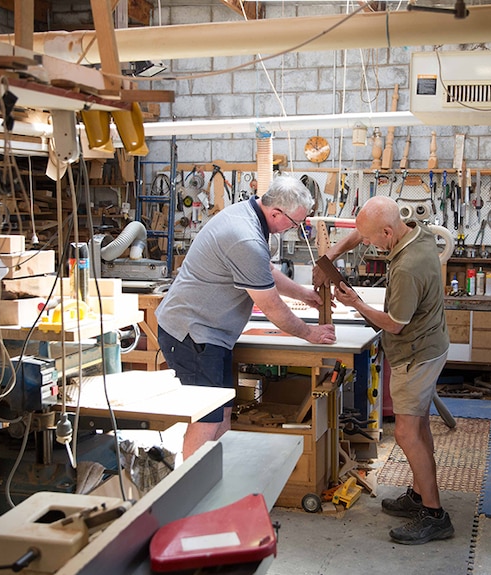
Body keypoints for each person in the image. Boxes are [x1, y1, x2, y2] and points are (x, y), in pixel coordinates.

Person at [156, 175, 336, 459]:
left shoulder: (251, 216)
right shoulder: (246, 237)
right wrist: (309, 333)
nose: (295, 228)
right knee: (207, 418)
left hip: (212, 334)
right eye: (294, 222)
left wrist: (303, 295)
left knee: (224, 413)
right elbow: (271, 306)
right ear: (276, 212)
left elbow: (266, 273)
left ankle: (217, 480)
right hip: (192, 334)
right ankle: (191, 492)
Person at [326, 195, 453, 545]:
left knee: (406, 433)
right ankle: (419, 494)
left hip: (417, 352)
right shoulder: (415, 230)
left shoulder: (409, 266)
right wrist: (332, 256)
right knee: (419, 425)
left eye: (370, 240)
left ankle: (434, 515)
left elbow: (395, 324)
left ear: (387, 230)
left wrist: (356, 304)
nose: (366, 245)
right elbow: (360, 232)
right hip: (431, 344)